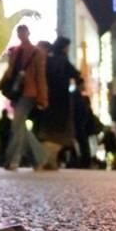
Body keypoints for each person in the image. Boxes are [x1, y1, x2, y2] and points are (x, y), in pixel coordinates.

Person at [0, 25, 48, 171]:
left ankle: (13, 160)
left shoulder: (37, 52)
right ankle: (39, 159)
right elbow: (9, 73)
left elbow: (40, 76)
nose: (21, 35)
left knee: (17, 124)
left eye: (23, 32)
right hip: (16, 93)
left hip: (29, 93)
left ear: (28, 33)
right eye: (19, 32)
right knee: (20, 127)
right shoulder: (14, 51)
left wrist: (43, 98)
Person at [36, 36, 81, 169]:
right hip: (62, 101)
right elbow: (77, 75)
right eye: (67, 47)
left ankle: (50, 161)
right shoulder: (63, 60)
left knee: (49, 132)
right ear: (63, 47)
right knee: (61, 134)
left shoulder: (48, 60)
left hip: (48, 101)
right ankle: (47, 158)